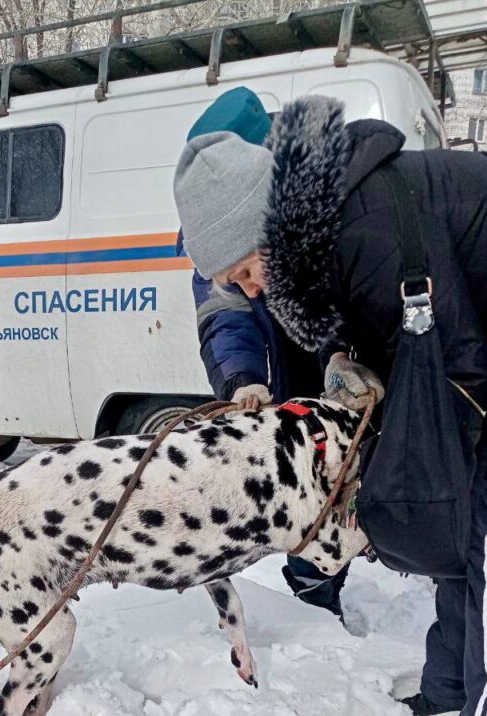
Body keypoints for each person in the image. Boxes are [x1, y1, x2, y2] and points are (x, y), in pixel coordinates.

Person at [173, 95, 487, 716]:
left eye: (243, 271)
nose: (252, 292)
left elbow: (450, 370)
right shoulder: (327, 230)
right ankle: (460, 688)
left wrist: (392, 489)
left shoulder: (363, 228)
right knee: (479, 522)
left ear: (264, 232)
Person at [180, 88, 349, 621]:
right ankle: (312, 600)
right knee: (314, 483)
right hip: (297, 369)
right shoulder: (223, 228)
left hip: (346, 360)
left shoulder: (326, 205)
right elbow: (223, 312)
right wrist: (243, 381)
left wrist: (347, 358)